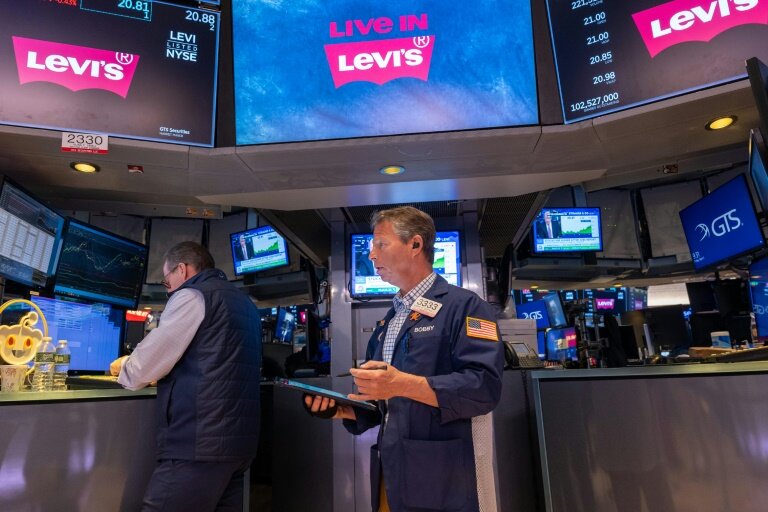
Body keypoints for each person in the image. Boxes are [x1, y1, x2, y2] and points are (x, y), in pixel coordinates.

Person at [304, 206, 504, 512]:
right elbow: (380, 407)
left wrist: (400, 384)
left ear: (415, 245)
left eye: (381, 244)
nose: (372, 255)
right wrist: (341, 409)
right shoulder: (390, 321)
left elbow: (483, 388)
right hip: (393, 468)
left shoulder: (466, 307)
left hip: (446, 474)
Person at [110, 241, 262, 512]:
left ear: (182, 269)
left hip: (199, 444)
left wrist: (123, 368)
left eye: (166, 282)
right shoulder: (245, 303)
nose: (168, 290)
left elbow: (144, 367)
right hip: (239, 447)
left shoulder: (192, 296)